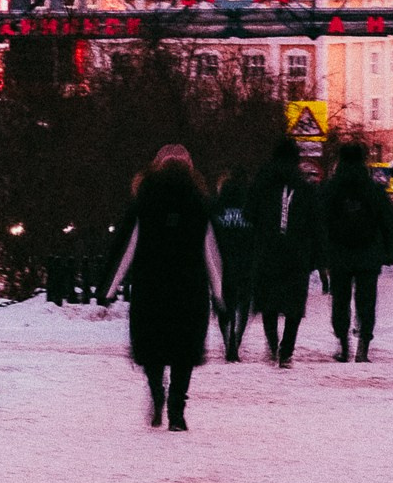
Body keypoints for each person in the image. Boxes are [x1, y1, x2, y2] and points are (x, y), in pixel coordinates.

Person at [105, 145, 222, 431]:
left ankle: (157, 394)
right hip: (189, 289)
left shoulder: (144, 201)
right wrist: (220, 294)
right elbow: (211, 252)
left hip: (151, 286)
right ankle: (177, 410)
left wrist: (109, 288)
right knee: (184, 350)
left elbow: (128, 247)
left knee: (153, 347)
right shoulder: (199, 203)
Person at [244, 139, 321, 368]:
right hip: (297, 252)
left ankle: (272, 342)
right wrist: (317, 254)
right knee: (294, 303)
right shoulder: (304, 187)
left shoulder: (262, 184)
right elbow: (315, 222)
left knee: (269, 300)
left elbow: (248, 214)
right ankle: (286, 350)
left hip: (267, 249)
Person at [320, 141, 393, 362]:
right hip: (368, 254)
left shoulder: (330, 189)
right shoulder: (373, 189)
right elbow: (389, 221)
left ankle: (343, 345)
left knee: (340, 300)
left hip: (339, 253)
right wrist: (386, 250)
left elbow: (319, 220)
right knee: (366, 301)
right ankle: (363, 347)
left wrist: (322, 249)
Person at [211, 171, 254, 362]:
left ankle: (226, 338)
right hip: (245, 262)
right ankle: (236, 340)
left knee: (224, 305)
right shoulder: (250, 209)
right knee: (243, 304)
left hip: (222, 263)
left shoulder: (216, 208)